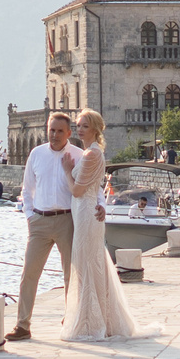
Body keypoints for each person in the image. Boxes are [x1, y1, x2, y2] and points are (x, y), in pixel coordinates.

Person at [62, 111, 138, 341]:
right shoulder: (92, 152)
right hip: (87, 212)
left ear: (95, 129)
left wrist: (67, 170)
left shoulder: (91, 155)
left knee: (86, 264)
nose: (80, 129)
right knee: (92, 264)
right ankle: (97, 319)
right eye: (78, 125)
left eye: (85, 126)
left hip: (86, 215)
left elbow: (77, 190)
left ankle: (90, 323)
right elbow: (96, 189)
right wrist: (100, 203)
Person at [12, 112, 79, 341]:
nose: (55, 135)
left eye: (60, 131)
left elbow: (89, 189)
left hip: (66, 220)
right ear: (46, 130)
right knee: (29, 273)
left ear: (69, 133)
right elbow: (27, 189)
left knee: (70, 275)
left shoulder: (78, 156)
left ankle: (70, 320)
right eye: (52, 130)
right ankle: (22, 325)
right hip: (39, 221)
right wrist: (29, 216)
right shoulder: (36, 154)